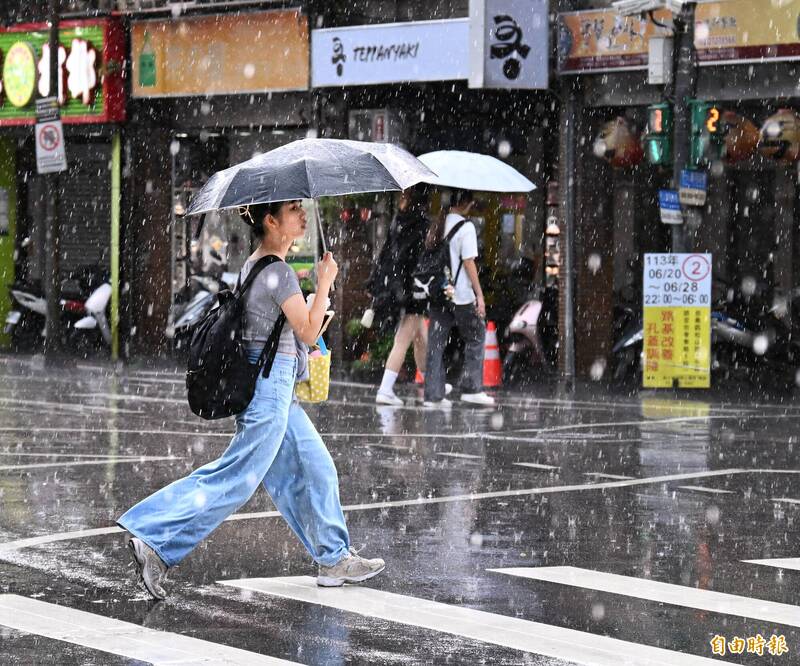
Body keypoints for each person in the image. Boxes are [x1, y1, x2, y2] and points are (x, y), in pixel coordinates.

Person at [118, 200, 384, 600]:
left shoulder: (257, 265)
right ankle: (155, 539)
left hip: (273, 387)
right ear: (271, 221)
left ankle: (333, 557)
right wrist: (326, 281)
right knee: (234, 479)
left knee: (317, 468)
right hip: (269, 389)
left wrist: (315, 305)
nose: (302, 215)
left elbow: (288, 328)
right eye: (293, 210)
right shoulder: (279, 272)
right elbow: (309, 334)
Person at [423, 189, 495, 408]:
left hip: (439, 293)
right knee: (476, 335)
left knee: (436, 344)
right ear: (466, 204)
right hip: (461, 295)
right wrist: (479, 295)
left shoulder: (437, 224)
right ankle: (472, 388)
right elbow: (469, 262)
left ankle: (433, 395)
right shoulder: (467, 227)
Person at [368, 186, 434, 406]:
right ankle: (385, 390)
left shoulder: (400, 219)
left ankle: (433, 384)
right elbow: (416, 258)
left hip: (400, 286)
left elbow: (390, 254)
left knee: (420, 336)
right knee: (404, 338)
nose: (401, 197)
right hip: (413, 288)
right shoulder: (420, 223)